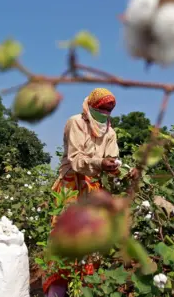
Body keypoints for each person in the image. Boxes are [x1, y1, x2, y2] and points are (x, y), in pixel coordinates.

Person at [43, 87, 135, 297]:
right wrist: (100, 163)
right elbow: (75, 160)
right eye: (101, 110)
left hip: (93, 190)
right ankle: (56, 292)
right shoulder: (75, 122)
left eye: (108, 111)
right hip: (71, 187)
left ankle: (82, 290)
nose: (104, 115)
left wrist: (119, 169)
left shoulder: (110, 132)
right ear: (90, 106)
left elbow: (112, 161)